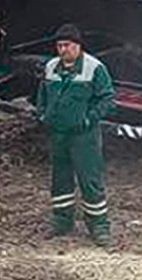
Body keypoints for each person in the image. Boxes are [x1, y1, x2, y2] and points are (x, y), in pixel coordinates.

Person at [37, 24, 114, 242]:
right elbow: (42, 93)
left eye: (67, 45)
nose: (62, 50)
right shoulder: (51, 67)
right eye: (59, 46)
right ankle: (62, 222)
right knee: (60, 179)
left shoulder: (94, 68)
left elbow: (107, 98)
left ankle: (99, 227)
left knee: (90, 180)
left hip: (84, 136)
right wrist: (43, 114)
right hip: (58, 134)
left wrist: (88, 119)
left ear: (78, 46)